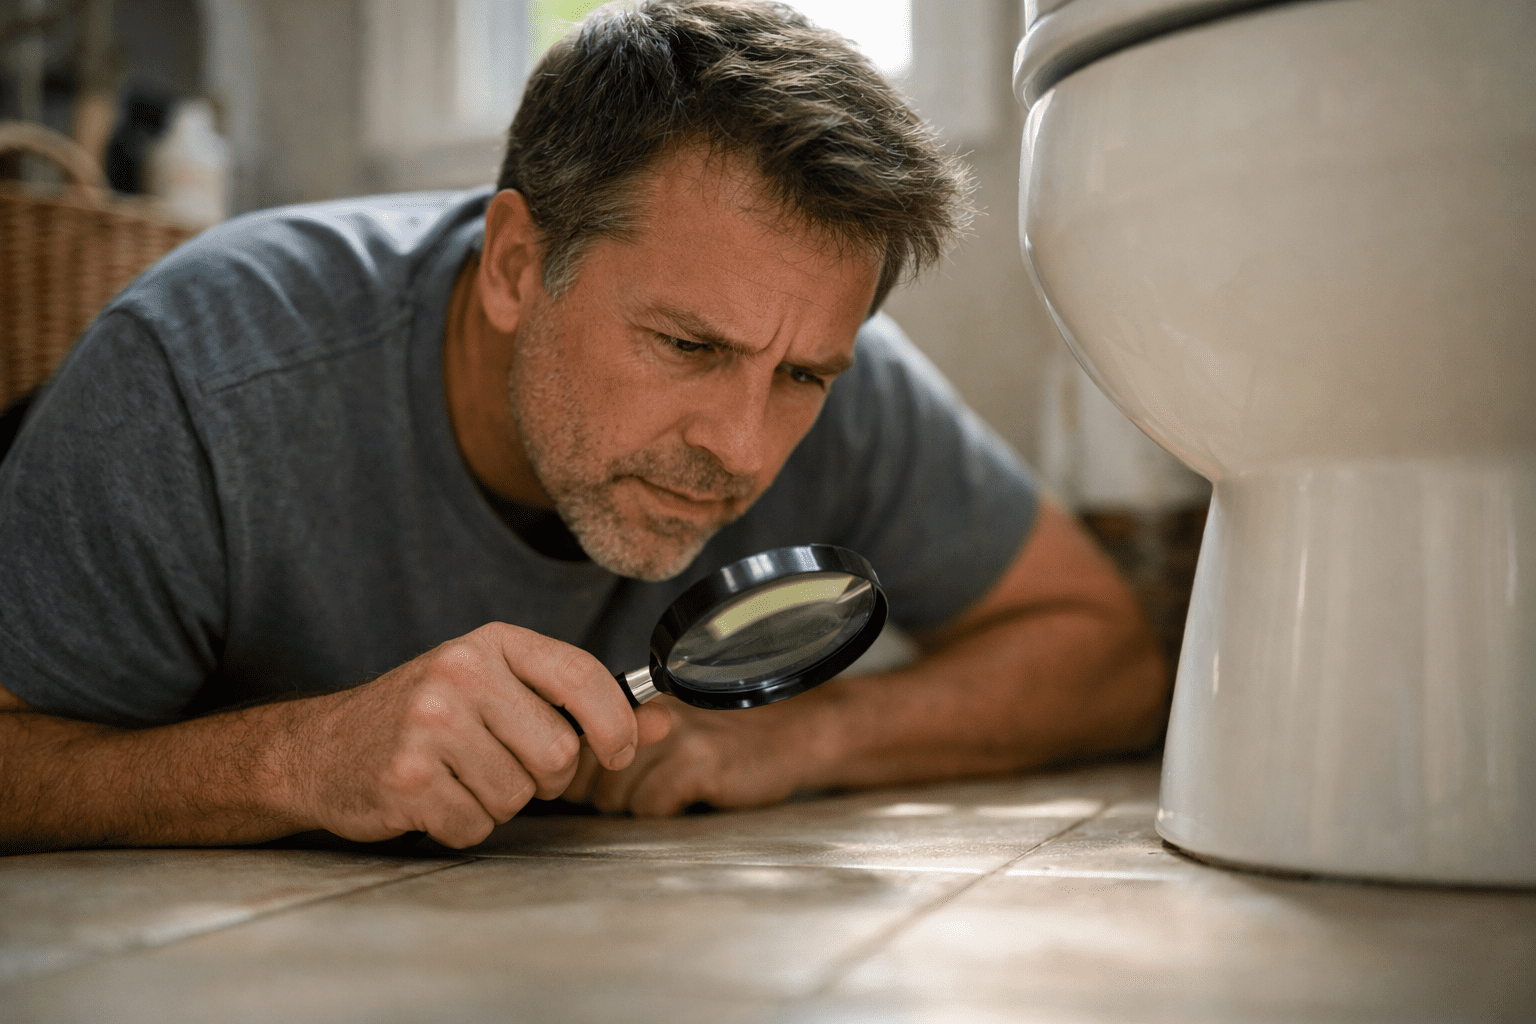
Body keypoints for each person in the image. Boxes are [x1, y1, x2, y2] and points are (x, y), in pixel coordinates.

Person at [0, 0, 1165, 854]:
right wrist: (298, 760)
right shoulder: (203, 368)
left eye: (802, 376)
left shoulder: (832, 365)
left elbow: (1104, 655)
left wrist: (789, 743)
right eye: (687, 346)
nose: (744, 448)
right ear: (516, 263)